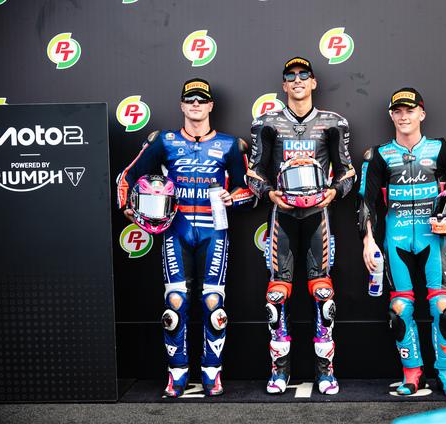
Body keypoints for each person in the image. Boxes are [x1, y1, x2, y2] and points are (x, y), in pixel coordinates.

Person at [116, 78, 255, 397]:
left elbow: (249, 191)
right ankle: (176, 374)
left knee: (214, 304)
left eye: (201, 99)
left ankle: (212, 373)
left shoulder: (230, 145)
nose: (195, 104)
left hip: (214, 231)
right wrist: (127, 207)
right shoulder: (164, 141)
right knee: (174, 304)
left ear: (210, 105)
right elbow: (127, 176)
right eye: (189, 99)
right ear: (181, 105)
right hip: (175, 231)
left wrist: (233, 197)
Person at [357, 88, 446, 397]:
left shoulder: (441, 148)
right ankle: (412, 373)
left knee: (444, 308)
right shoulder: (378, 155)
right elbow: (366, 200)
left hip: (434, 240)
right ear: (391, 115)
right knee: (399, 308)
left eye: (410, 110)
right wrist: (368, 240)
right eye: (398, 111)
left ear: (421, 114)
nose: (403, 116)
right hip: (395, 239)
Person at [246, 57, 356, 395]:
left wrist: (334, 192)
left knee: (323, 293)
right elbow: (253, 172)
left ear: (313, 82)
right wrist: (269, 193)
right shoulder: (267, 122)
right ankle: (279, 371)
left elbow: (348, 172)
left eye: (303, 75)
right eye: (291, 76)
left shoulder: (333, 123)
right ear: (283, 84)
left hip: (317, 216)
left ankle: (326, 372)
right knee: (276, 294)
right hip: (282, 216)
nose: (297, 80)